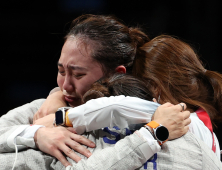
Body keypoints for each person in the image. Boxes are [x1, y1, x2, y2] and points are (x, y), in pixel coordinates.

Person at [0, 14, 190, 170]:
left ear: (117, 73)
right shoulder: (43, 109)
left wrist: (154, 133)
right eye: (61, 71)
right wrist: (37, 135)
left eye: (78, 74)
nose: (66, 85)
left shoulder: (145, 118)